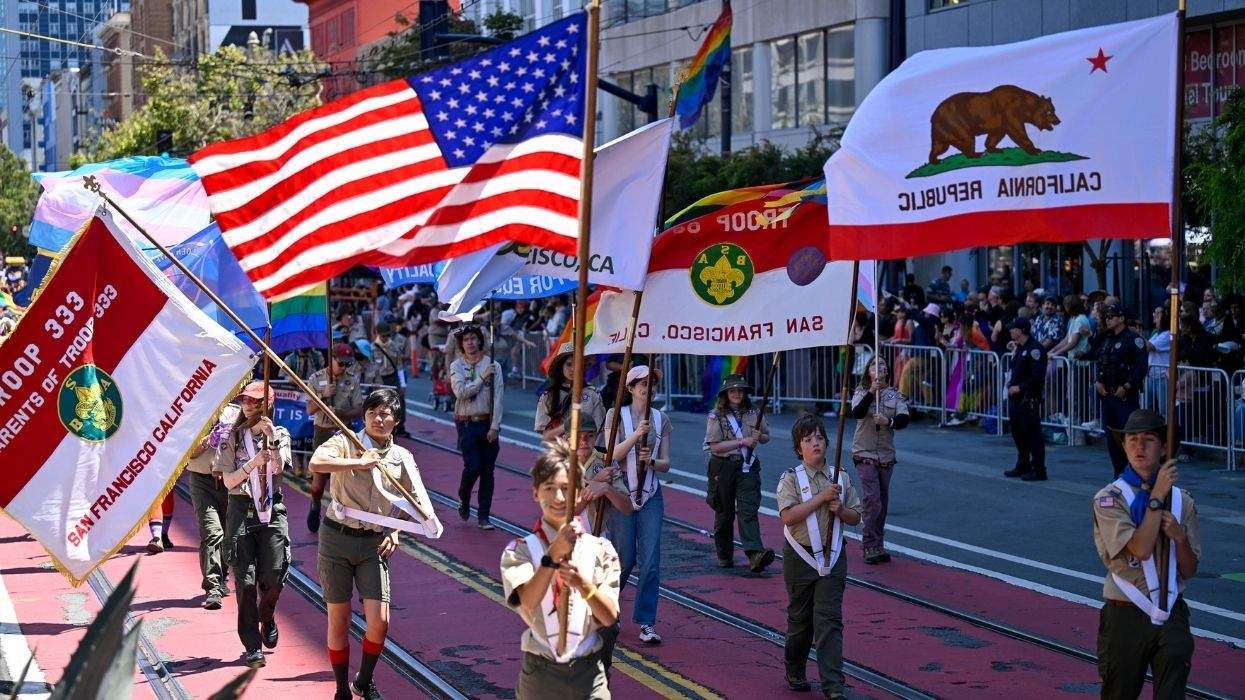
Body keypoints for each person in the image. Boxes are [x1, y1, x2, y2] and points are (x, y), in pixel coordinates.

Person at [310, 388, 442, 700]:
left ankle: (362, 680)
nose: (378, 419)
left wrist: (394, 529)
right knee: (339, 619)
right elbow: (317, 462)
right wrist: (356, 462)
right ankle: (342, 689)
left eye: (385, 414)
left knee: (380, 622)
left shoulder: (402, 458)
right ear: (365, 416)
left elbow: (410, 499)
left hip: (373, 543)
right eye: (372, 412)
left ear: (396, 420)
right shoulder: (347, 441)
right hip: (337, 538)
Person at [500, 439, 622, 698]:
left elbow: (610, 617)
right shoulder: (519, 550)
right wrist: (551, 558)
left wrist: (582, 584)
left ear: (579, 493)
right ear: (536, 493)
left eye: (566, 489)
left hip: (588, 673)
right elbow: (529, 602)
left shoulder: (601, 549)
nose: (558, 497)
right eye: (549, 488)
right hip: (541, 673)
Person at [1092, 409, 1200, 698]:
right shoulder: (1108, 498)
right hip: (1125, 612)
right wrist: (1155, 497)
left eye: (1148, 439)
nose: (1139, 447)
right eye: (1132, 440)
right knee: (1120, 692)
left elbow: (1189, 569)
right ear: (1124, 446)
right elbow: (1139, 549)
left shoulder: (1182, 501)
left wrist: (1179, 539)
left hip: (1171, 610)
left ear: (1164, 447)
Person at [777, 414, 861, 698]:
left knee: (829, 621)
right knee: (801, 620)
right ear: (798, 447)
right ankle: (795, 666)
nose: (816, 443)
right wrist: (821, 499)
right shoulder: (790, 479)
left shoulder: (841, 477)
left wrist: (840, 510)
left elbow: (855, 517)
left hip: (832, 557)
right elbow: (789, 517)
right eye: (808, 439)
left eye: (820, 438)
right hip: (800, 557)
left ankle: (833, 686)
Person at [212, 381, 293, 669]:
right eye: (245, 401)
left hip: (272, 508)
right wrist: (251, 464)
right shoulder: (231, 435)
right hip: (240, 509)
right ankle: (251, 645)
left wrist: (270, 443)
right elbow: (229, 481)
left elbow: (279, 468)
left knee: (274, 573)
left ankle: (267, 615)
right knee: (245, 582)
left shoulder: (280, 434)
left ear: (267, 405)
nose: (248, 405)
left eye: (255, 401)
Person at [602, 366, 670, 645]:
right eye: (642, 383)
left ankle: (646, 622)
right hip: (622, 493)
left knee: (651, 562)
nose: (648, 388)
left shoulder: (660, 418)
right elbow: (610, 455)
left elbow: (666, 463)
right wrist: (633, 437)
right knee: (625, 557)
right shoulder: (615, 414)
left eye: (651, 383)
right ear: (630, 388)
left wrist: (652, 461)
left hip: (651, 493)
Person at [703, 373, 775, 572]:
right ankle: (724, 555)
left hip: (748, 465)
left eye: (740, 390)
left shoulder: (754, 412)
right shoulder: (715, 415)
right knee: (724, 514)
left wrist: (760, 437)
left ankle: (755, 554)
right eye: (732, 390)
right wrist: (743, 441)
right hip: (722, 467)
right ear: (725, 394)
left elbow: (767, 436)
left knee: (748, 510)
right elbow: (715, 447)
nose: (737, 394)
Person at [849, 358, 909, 564]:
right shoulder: (860, 392)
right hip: (864, 452)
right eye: (874, 365)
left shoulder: (894, 394)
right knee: (872, 500)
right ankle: (869, 544)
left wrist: (888, 421)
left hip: (886, 455)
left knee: (882, 503)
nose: (879, 367)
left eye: (882, 365)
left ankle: (878, 544)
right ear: (868, 372)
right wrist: (870, 392)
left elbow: (904, 419)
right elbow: (856, 412)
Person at [305, 343, 366, 533]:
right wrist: (324, 395)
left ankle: (339, 517)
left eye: (347, 364)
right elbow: (309, 409)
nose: (343, 367)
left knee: (342, 481)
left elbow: (359, 408)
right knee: (318, 482)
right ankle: (315, 505)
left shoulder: (352, 380)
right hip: (322, 432)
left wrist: (342, 413)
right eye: (340, 363)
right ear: (331, 359)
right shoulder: (316, 378)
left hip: (342, 433)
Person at [450, 324, 504, 530]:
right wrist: (482, 378)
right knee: (473, 467)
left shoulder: (494, 366)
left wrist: (495, 426)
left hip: (487, 422)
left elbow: (498, 396)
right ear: (461, 344)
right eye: (466, 340)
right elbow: (461, 392)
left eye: (473, 338)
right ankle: (464, 498)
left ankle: (484, 516)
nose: (470, 343)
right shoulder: (456, 366)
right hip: (466, 423)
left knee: (487, 471)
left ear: (480, 340)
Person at [190, 403, 241, 609]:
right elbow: (188, 453)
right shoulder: (194, 410)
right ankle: (212, 587)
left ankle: (222, 577)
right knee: (212, 532)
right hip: (202, 480)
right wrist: (208, 439)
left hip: (229, 480)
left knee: (229, 533)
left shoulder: (236, 413)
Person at [1096, 305, 1148, 478]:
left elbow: (1140, 368)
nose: (1108, 319)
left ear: (1121, 318)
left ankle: (1133, 473)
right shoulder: (1107, 338)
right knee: (1111, 437)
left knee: (1129, 437)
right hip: (1108, 395)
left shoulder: (1133, 340)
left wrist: (1127, 386)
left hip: (1125, 396)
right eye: (1107, 316)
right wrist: (1098, 381)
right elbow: (1101, 362)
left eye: (1112, 316)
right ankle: (1118, 473)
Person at [1005, 318, 1049, 481]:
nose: (1010, 331)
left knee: (1032, 434)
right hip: (1016, 397)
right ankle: (1023, 464)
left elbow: (1037, 376)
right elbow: (1016, 371)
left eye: (1013, 329)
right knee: (1018, 432)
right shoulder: (1020, 348)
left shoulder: (1035, 349)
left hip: (1028, 397)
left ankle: (1038, 469)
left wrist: (1020, 387)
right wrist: (1010, 383)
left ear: (1020, 330)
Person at [536, 342, 606, 443]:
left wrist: (589, 452)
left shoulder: (592, 394)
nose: (573, 369)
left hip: (585, 453)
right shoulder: (548, 396)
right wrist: (568, 425)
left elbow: (599, 431)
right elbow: (546, 437)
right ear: (561, 366)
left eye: (577, 364)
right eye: (569, 364)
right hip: (559, 454)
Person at [371, 322, 411, 437]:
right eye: (383, 335)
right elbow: (370, 367)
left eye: (387, 335)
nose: (385, 338)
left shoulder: (394, 346)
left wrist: (402, 384)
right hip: (379, 379)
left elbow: (399, 366)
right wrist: (373, 382)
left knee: (399, 402)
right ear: (378, 334)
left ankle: (400, 427)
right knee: (379, 404)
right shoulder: (373, 347)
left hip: (392, 377)